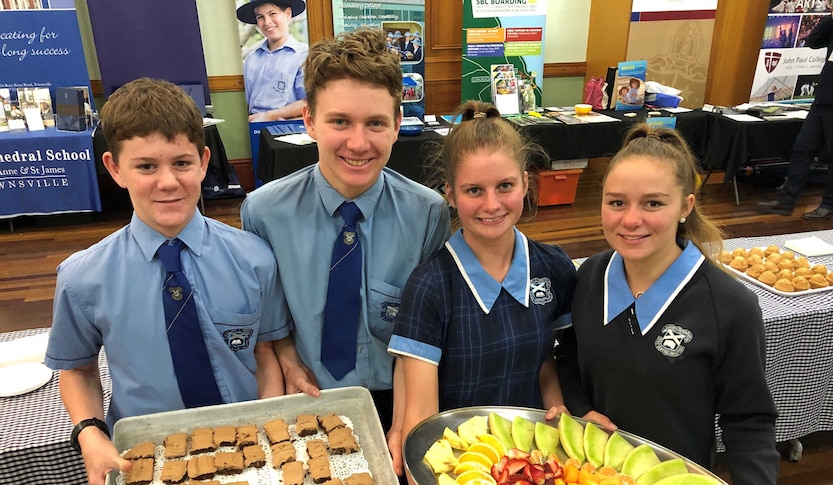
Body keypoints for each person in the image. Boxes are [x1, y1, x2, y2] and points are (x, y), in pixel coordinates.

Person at [44, 78, 289, 485]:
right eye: (145, 166)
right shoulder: (81, 277)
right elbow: (78, 370)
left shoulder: (255, 259)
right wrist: (88, 431)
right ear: (114, 168)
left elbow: (265, 352)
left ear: (204, 161)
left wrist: (269, 422)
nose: (168, 182)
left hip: (249, 445)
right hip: (147, 455)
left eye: (181, 163)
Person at [240, 25, 450, 466]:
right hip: (306, 393)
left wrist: (405, 419)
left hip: (399, 397)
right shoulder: (263, 213)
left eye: (375, 123)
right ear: (310, 121)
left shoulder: (427, 212)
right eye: (340, 122)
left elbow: (423, 328)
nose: (358, 143)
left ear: (397, 123)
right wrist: (289, 364)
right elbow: (270, 318)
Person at [556, 124, 779, 484]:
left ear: (685, 206)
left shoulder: (730, 306)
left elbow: (749, 420)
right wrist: (582, 410)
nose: (630, 220)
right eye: (616, 202)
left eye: (653, 203)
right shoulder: (588, 277)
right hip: (587, 473)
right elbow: (568, 357)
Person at [388, 101, 576, 479]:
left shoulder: (555, 267)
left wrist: (562, 423)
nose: (492, 204)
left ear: (525, 182)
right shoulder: (430, 286)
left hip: (534, 458)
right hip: (461, 466)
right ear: (451, 195)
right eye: (474, 190)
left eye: (505, 186)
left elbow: (547, 364)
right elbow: (420, 419)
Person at [757, 0, 833, 220]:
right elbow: (813, 42)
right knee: (802, 149)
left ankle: (831, 205)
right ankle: (786, 201)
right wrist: (831, 19)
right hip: (821, 102)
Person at [237, 0, 308, 122]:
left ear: (287, 14)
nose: (267, 22)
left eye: (272, 14)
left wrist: (268, 116)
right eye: (260, 17)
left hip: (289, 127)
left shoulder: (304, 55)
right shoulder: (251, 59)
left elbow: (308, 102)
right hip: (253, 124)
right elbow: (246, 104)